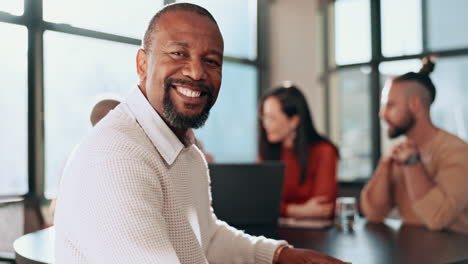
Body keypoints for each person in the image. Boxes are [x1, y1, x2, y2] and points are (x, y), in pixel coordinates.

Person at [54, 3, 348, 264]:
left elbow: (206, 239)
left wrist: (279, 255)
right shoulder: (117, 157)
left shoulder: (186, 153)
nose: (196, 73)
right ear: (142, 64)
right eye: (179, 53)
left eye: (211, 61)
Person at [360, 57, 468, 234]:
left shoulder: (457, 152)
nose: (382, 114)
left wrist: (412, 163)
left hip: (455, 258)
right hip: (410, 253)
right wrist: (384, 166)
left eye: (390, 105)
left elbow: (437, 218)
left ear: (415, 105)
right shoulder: (399, 152)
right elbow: (374, 213)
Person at [259, 85, 339, 219]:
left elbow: (322, 209)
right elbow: (257, 204)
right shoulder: (267, 151)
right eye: (264, 118)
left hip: (316, 237)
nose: (265, 124)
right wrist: (298, 211)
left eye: (271, 118)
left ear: (293, 121)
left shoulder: (324, 151)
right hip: (274, 235)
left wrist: (280, 209)